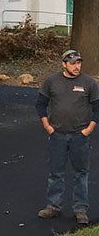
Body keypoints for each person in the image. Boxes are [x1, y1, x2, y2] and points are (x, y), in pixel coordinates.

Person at [36, 49, 99, 225]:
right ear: (64, 64)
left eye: (79, 62)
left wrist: (88, 130)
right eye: (72, 63)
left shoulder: (89, 83)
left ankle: (80, 210)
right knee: (56, 173)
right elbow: (41, 104)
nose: (76, 66)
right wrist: (48, 127)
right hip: (57, 136)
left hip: (80, 137)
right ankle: (53, 207)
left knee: (81, 174)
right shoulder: (52, 81)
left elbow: (97, 108)